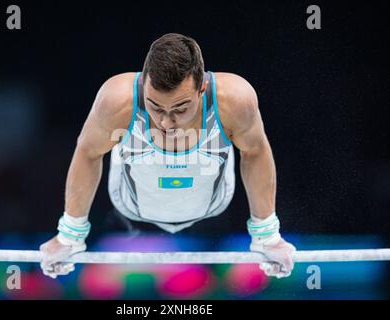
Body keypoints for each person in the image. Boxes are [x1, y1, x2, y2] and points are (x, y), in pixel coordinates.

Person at [40, 33, 296, 279]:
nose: (166, 122)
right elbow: (88, 153)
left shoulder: (235, 100)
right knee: (104, 139)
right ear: (143, 85)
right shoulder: (117, 100)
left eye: (180, 108)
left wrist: (267, 236)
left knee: (243, 142)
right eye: (155, 106)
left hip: (211, 201)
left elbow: (255, 152)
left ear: (203, 87)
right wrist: (70, 236)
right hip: (133, 202)